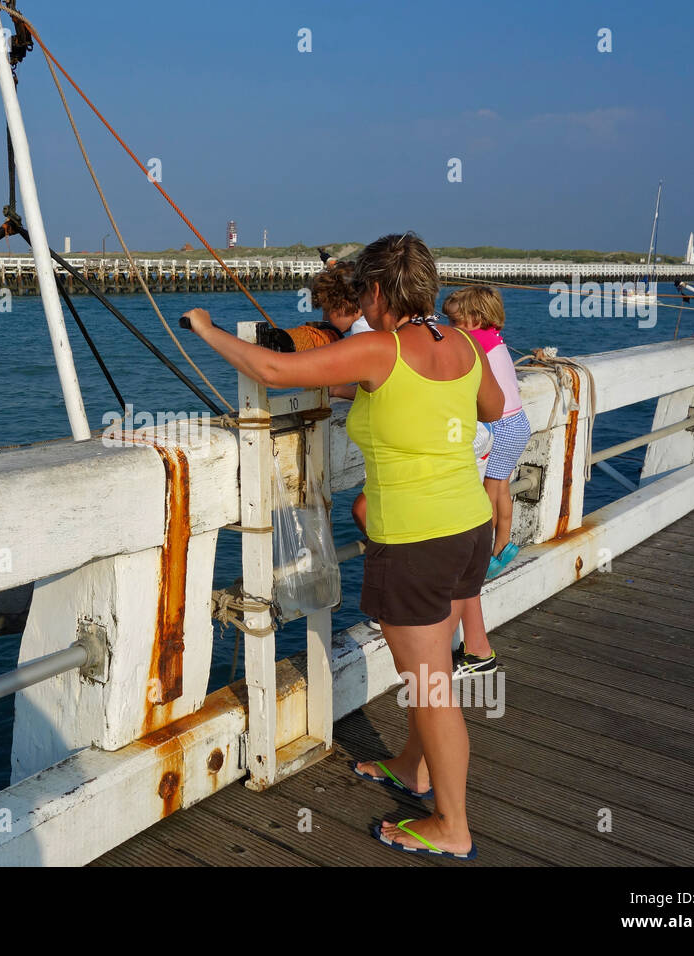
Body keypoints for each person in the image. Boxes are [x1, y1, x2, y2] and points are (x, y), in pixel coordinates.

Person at [181, 232, 504, 860]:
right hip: (467, 527)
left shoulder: (378, 349)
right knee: (431, 661)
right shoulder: (462, 342)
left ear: (378, 290)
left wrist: (207, 328)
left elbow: (273, 371)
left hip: (415, 539)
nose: (359, 304)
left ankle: (453, 824)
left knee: (433, 684)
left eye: (361, 292)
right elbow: (488, 404)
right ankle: (414, 764)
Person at [441, 287, 532, 578]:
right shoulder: (494, 336)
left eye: (455, 322)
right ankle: (503, 546)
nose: (450, 328)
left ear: (475, 318)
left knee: (487, 496)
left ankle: (480, 559)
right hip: (517, 422)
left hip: (501, 425)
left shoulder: (474, 339)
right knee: (501, 488)